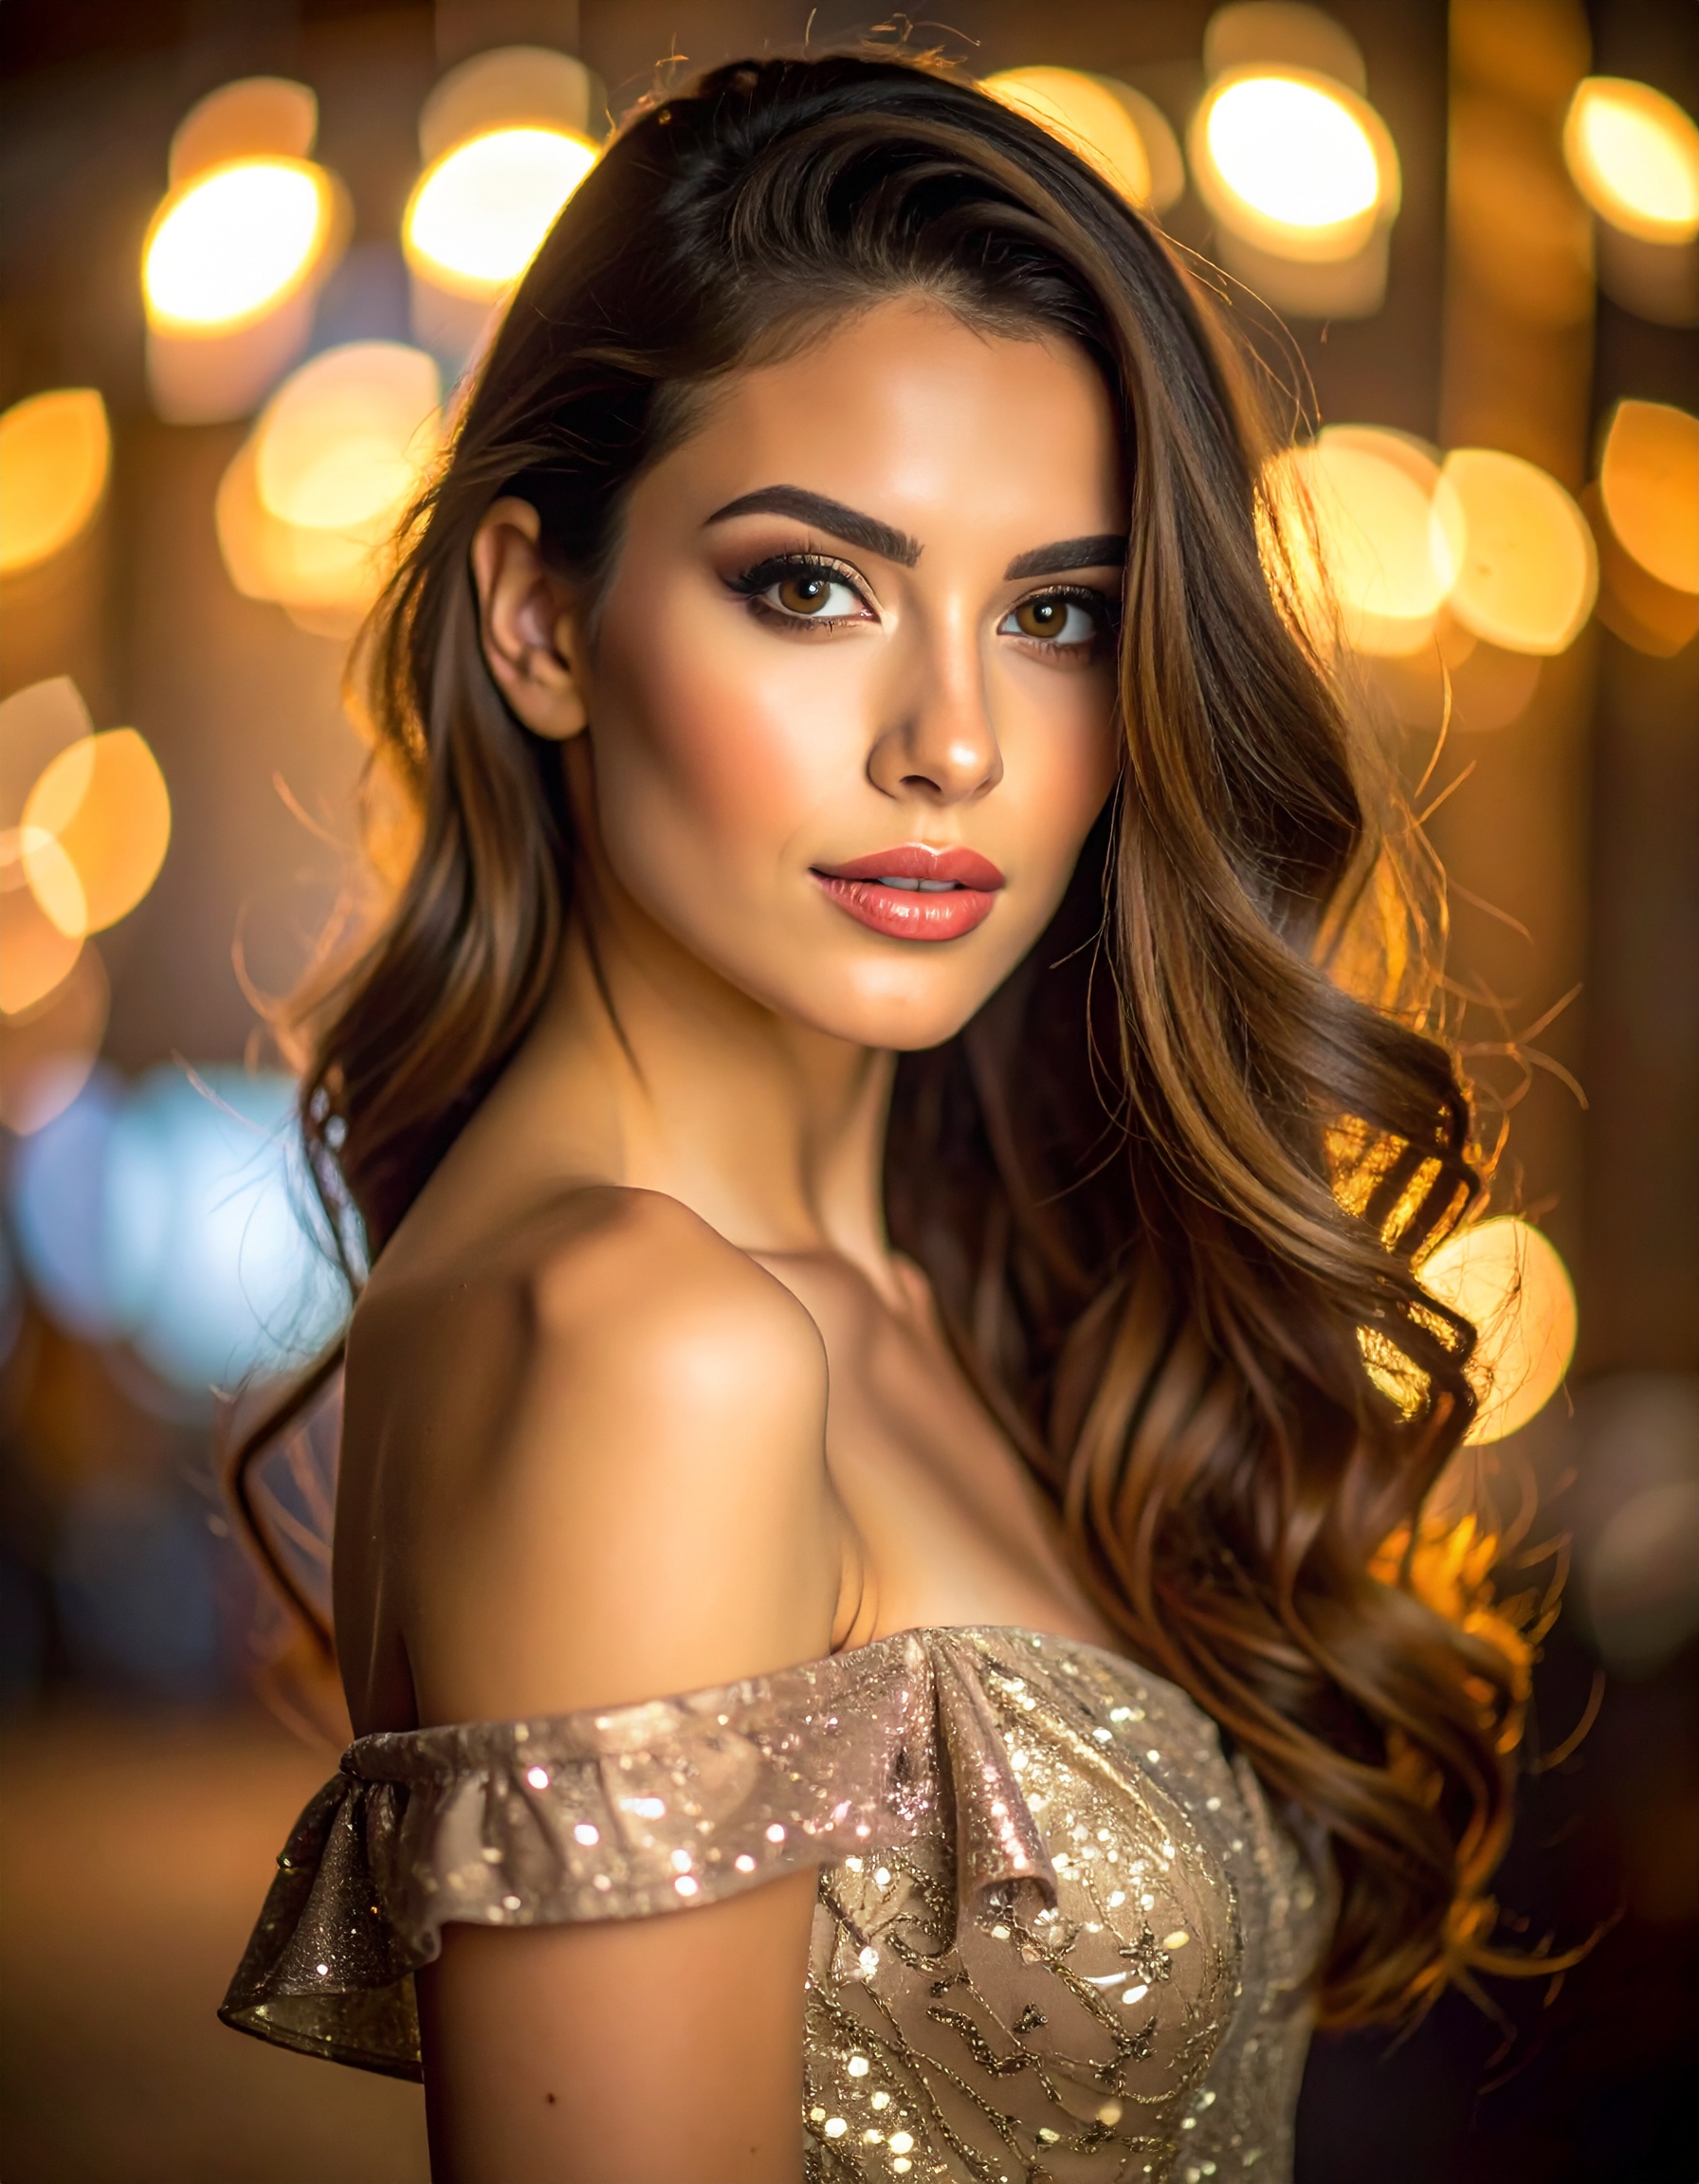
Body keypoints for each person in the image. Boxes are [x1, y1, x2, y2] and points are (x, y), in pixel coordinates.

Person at [220, 49, 1528, 2184]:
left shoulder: (923, 1279)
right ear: (539, 619)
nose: (951, 743)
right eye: (811, 587)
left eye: (1055, 616)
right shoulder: (643, 1347)